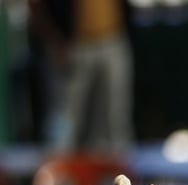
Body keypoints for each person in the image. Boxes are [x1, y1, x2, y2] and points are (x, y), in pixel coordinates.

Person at [28, 0, 134, 152]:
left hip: (113, 39)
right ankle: (57, 171)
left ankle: (112, 172)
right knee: (64, 122)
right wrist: (55, 42)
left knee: (114, 121)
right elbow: (35, 5)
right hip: (72, 46)